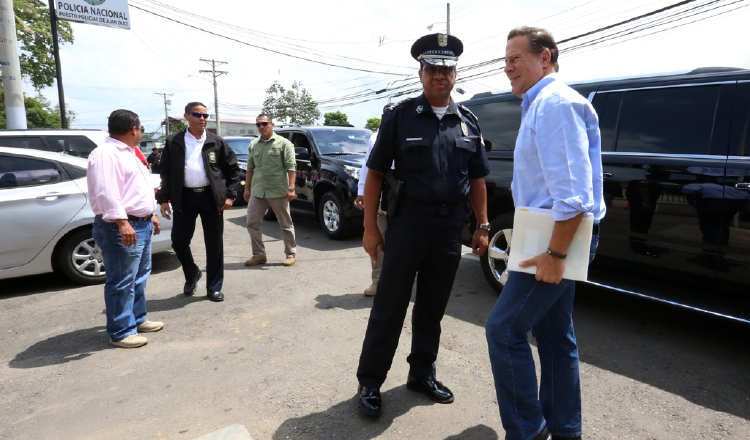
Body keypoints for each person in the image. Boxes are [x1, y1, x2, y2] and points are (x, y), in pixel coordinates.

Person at [356, 33, 491, 417]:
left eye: (446, 69)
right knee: (390, 304)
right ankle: (370, 381)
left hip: (450, 228)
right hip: (408, 224)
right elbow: (375, 173)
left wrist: (482, 224)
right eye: (433, 69)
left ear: (455, 74)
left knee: (432, 306)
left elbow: (478, 178)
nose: (440, 76)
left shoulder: (467, 122)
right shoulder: (400, 117)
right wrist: (370, 228)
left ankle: (421, 373)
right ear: (421, 73)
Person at [485, 27, 605, 440]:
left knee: (503, 331)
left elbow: (572, 197)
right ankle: (565, 431)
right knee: (555, 337)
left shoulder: (554, 104)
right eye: (506, 61)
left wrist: (554, 255)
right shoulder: (540, 104)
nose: (508, 68)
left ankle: (528, 432)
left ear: (545, 57)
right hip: (545, 235)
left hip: (556, 239)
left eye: (515, 58)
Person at [87, 109, 164, 348]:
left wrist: (150, 214)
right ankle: (121, 331)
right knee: (121, 281)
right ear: (133, 129)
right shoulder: (106, 154)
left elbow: (135, 189)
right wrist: (122, 222)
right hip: (120, 226)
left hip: (139, 223)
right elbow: (106, 192)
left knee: (139, 277)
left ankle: (137, 319)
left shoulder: (130, 152)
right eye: (140, 128)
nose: (141, 132)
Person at [157, 102, 240, 303]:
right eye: (197, 115)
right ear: (187, 116)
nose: (202, 119)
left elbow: (233, 171)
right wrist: (163, 199)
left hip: (211, 199)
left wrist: (230, 196)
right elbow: (166, 173)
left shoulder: (216, 142)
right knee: (178, 241)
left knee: (214, 244)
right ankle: (192, 272)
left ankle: (214, 286)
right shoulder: (174, 142)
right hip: (184, 197)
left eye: (205, 115)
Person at [243, 114, 297, 267]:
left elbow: (291, 167)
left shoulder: (284, 143)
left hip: (278, 190)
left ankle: (290, 254)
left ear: (272, 125)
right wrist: (247, 189)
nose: (261, 127)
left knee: (285, 224)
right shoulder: (254, 145)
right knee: (252, 222)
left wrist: (291, 188)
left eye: (264, 123)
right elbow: (250, 169)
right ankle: (259, 255)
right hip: (258, 190)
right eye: (258, 124)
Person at [353, 105, 393, 297]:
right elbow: (367, 168)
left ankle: (400, 282)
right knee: (377, 241)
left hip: (402, 201)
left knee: (402, 244)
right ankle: (377, 282)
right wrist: (362, 192)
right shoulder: (375, 138)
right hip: (379, 198)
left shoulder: (409, 134)